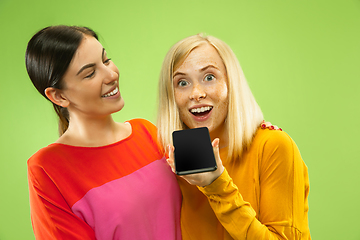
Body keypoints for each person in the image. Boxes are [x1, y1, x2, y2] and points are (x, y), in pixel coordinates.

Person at [25, 25, 182, 240]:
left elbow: (196, 208)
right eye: (90, 74)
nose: (111, 74)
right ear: (59, 96)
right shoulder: (48, 170)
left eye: (106, 60)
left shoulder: (146, 132)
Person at [157, 34, 311, 239]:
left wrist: (216, 185)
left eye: (209, 77)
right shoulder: (170, 158)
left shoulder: (274, 146)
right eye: (182, 82)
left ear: (232, 84)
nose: (196, 93)